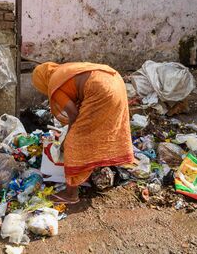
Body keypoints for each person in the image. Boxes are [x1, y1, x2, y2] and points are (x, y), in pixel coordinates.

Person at [32, 62, 134, 204]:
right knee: (96, 131)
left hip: (101, 89)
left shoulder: (55, 84)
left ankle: (70, 193)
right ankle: (90, 170)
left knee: (75, 142)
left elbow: (73, 115)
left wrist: (67, 140)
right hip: (115, 81)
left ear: (42, 81)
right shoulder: (64, 72)